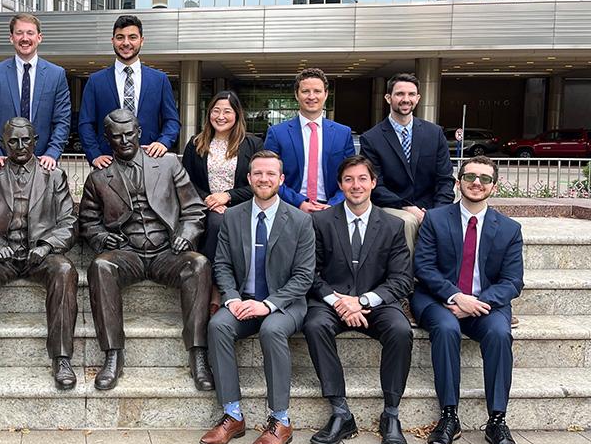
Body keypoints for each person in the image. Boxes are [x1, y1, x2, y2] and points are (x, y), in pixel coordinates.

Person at [79, 109, 212, 392]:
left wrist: (186, 235)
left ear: (139, 132)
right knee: (101, 266)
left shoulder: (168, 164)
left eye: (129, 134)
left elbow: (194, 209)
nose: (124, 140)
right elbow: (88, 222)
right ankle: (113, 354)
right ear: (107, 140)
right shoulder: (99, 177)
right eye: (116, 137)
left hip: (168, 251)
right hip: (127, 252)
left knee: (199, 264)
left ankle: (198, 353)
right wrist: (103, 238)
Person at [199, 150, 314, 444]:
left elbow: (304, 276)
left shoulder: (301, 221)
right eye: (258, 174)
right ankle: (233, 414)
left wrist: (269, 305)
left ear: (281, 179)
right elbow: (221, 265)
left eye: (270, 174)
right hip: (243, 301)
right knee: (218, 326)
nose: (264, 179)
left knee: (272, 330)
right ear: (248, 178)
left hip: (286, 304)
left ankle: (280, 420)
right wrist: (232, 298)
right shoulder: (233, 216)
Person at [413, 156, 524, 444]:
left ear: (494, 186)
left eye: (485, 179)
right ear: (458, 182)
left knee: (500, 333)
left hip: (486, 303)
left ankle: (497, 421)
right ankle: (449, 416)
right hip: (438, 301)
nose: (477, 183)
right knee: (446, 329)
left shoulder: (510, 229)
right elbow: (423, 267)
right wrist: (454, 296)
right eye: (470, 176)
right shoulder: (435, 219)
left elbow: (513, 281)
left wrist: (477, 302)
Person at [302, 155, 414, 444]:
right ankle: (340, 412)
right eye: (349, 179)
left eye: (363, 178)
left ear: (373, 183)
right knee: (314, 325)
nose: (356, 185)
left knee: (401, 331)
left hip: (376, 302)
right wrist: (339, 302)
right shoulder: (320, 221)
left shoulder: (392, 225)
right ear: (340, 184)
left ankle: (391, 414)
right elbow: (309, 273)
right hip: (331, 303)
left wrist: (362, 301)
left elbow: (402, 279)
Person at [0, 117, 80, 391]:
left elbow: (69, 222)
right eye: (13, 140)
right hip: (0, 253)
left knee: (64, 269)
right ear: (3, 143)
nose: (20, 145)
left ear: (36, 141)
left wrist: (47, 246)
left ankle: (61, 357)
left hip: (40, 254)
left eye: (26, 139)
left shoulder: (55, 176)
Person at [181, 91, 264, 310]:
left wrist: (227, 197)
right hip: (204, 207)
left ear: (237, 115)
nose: (221, 116)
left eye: (227, 111)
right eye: (216, 111)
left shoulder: (252, 145)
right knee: (216, 222)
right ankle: (212, 288)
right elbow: (185, 181)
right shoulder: (196, 143)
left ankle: (217, 291)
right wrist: (209, 200)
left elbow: (258, 184)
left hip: (242, 207)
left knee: (223, 222)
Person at [359, 72, 454, 257]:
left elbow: (445, 179)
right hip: (393, 206)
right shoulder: (372, 138)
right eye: (400, 94)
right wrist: (407, 206)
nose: (406, 99)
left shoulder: (434, 133)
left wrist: (436, 211)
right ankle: (407, 280)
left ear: (418, 98)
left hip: (431, 206)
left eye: (411, 94)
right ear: (388, 98)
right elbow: (376, 185)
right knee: (408, 221)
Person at [78, 14, 180, 168]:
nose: (126, 43)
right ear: (112, 41)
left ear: (142, 40)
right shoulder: (95, 81)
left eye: (132, 37)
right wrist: (95, 155)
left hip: (150, 161)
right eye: (120, 37)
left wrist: (163, 142)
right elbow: (85, 123)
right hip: (108, 164)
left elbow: (171, 120)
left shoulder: (159, 80)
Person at [0, 13, 71, 172]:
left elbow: (62, 120)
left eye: (30, 33)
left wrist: (52, 153)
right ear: (11, 38)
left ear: (39, 37)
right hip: (3, 164)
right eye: (19, 33)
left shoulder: (56, 75)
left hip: (43, 163)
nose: (25, 38)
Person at [264, 68, 355, 213]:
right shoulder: (277, 133)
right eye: (305, 91)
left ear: (326, 94)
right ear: (296, 95)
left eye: (317, 91)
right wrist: (300, 203)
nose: (311, 96)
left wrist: (332, 205)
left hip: (332, 208)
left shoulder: (343, 133)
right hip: (289, 207)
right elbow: (269, 176)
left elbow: (352, 176)